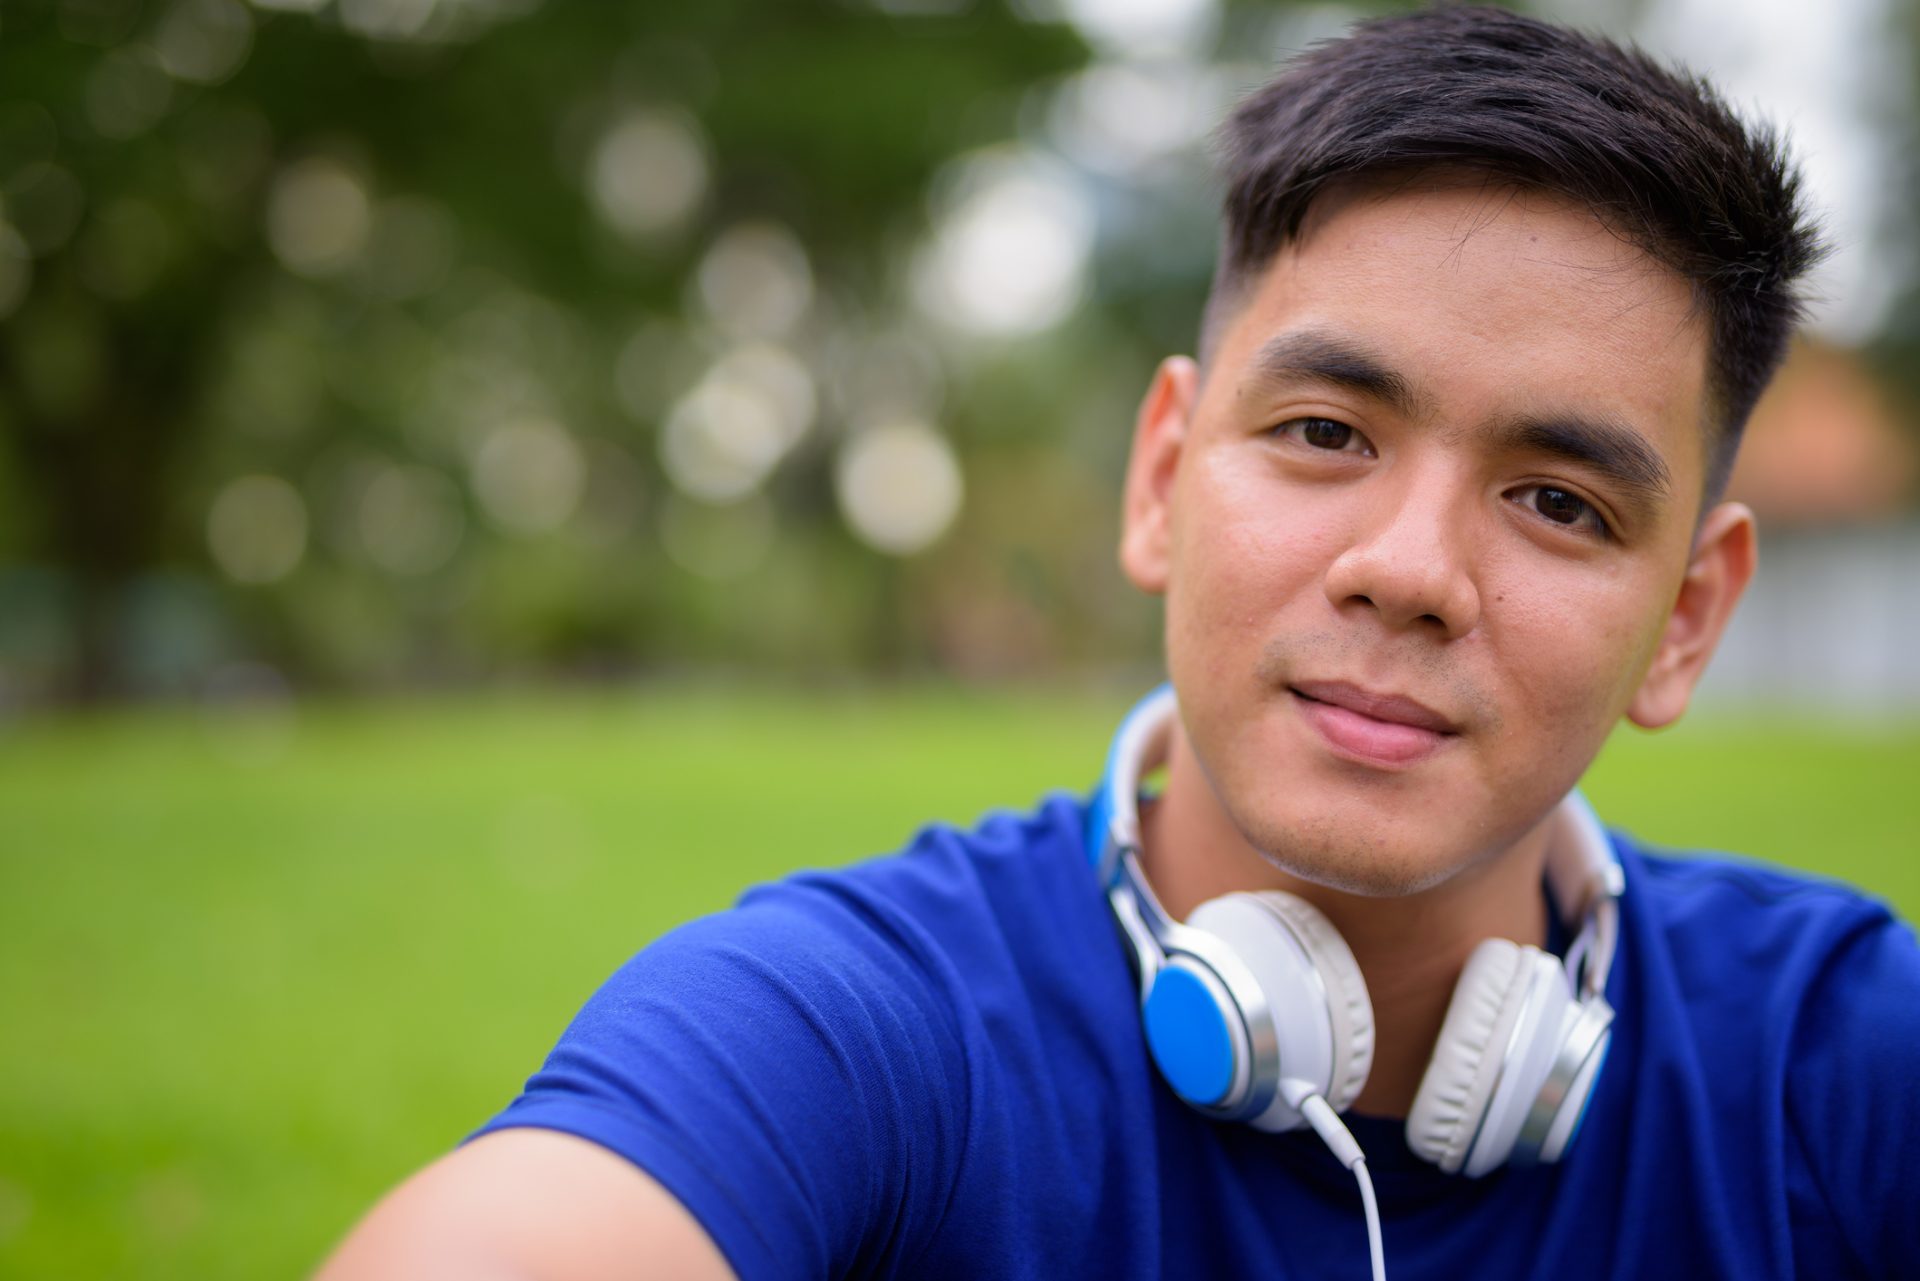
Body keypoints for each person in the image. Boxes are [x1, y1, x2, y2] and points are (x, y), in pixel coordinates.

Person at [318, 7, 1920, 1279]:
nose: (1411, 570)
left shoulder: (1840, 1060)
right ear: (1164, 478)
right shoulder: (858, 1027)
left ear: (1686, 618)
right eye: (1322, 430)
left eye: (1560, 502)